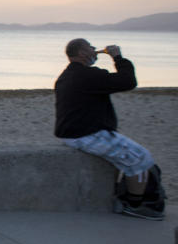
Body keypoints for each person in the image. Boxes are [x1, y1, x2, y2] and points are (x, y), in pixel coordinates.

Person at [54, 38, 163, 220]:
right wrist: (118, 57)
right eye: (91, 47)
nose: (95, 50)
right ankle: (135, 206)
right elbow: (127, 81)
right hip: (86, 134)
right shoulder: (87, 75)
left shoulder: (68, 76)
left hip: (74, 132)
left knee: (131, 157)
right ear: (82, 53)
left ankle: (129, 198)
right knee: (141, 158)